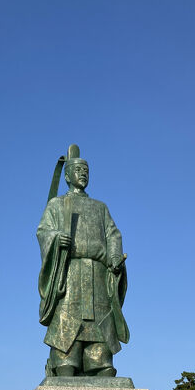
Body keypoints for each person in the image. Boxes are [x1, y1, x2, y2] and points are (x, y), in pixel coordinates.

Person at [36, 144, 129, 377]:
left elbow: (113, 235)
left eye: (86, 170)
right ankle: (65, 360)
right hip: (70, 271)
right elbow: (43, 231)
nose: (83, 174)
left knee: (100, 319)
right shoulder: (57, 204)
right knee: (68, 317)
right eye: (78, 170)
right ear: (67, 176)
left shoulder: (100, 207)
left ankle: (100, 360)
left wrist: (114, 257)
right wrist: (56, 238)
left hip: (97, 272)